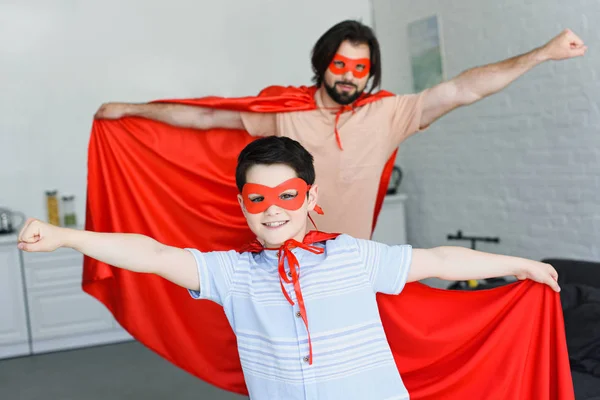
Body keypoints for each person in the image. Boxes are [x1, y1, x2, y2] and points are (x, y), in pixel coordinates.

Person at [19, 137, 561, 400]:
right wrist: (66, 236)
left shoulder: (353, 256)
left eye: (287, 194)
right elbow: (155, 255)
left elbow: (440, 260)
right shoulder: (232, 274)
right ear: (241, 205)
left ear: (310, 197)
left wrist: (523, 265)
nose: (274, 208)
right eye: (257, 198)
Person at [93, 20, 587, 239]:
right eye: (340, 64)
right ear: (323, 64)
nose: (348, 75)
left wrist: (542, 54)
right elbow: (204, 117)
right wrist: (130, 109)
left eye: (359, 68)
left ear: (369, 73)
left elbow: (464, 90)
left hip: (350, 262)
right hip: (283, 257)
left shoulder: (389, 113)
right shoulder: (283, 110)